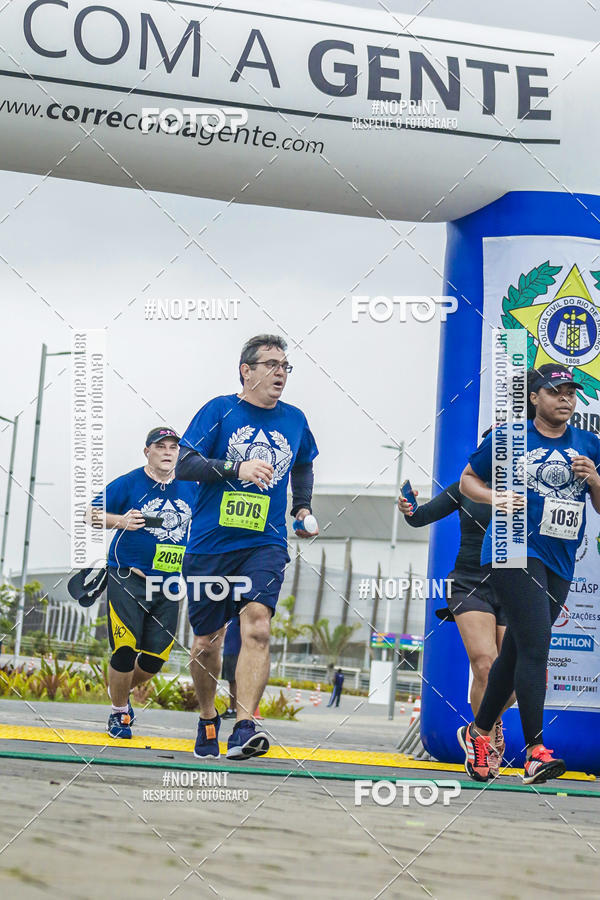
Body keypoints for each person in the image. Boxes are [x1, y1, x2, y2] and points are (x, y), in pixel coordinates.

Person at [175, 334, 319, 760]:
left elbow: (304, 463)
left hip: (265, 542)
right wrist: (237, 467)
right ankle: (208, 717)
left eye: (285, 366)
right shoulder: (219, 410)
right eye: (271, 364)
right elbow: (185, 463)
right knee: (207, 643)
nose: (280, 373)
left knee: (258, 626)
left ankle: (244, 727)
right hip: (211, 545)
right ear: (246, 370)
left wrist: (302, 507)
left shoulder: (295, 419)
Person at [458, 364, 600, 784]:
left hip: (560, 557)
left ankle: (479, 732)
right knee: (537, 645)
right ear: (535, 397)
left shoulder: (589, 443)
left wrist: (594, 480)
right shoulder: (509, 437)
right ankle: (535, 752)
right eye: (556, 392)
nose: (565, 399)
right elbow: (467, 481)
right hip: (512, 548)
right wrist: (495, 497)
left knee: (519, 650)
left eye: (570, 392)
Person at [398, 458, 513, 777]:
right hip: (469, 583)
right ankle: (483, 745)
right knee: (485, 665)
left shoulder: (528, 489)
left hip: (513, 586)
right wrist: (408, 506)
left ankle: (480, 728)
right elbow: (419, 517)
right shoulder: (466, 487)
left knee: (516, 678)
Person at [88, 427, 199, 739]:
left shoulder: (191, 487)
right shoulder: (130, 482)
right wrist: (120, 521)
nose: (167, 452)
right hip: (128, 577)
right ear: (147, 451)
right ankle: (119, 713)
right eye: (160, 446)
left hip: (169, 584)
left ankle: (118, 691)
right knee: (124, 649)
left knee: (154, 658)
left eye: (173, 447)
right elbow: (89, 514)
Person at [221, 615, 241, 719]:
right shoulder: (230, 617)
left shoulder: (240, 617)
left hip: (235, 651)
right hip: (228, 651)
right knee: (231, 681)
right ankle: (231, 708)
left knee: (235, 681)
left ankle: (236, 709)